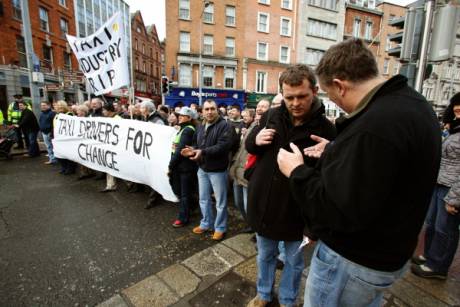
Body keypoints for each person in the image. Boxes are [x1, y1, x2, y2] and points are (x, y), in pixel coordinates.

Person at [276, 38, 441, 306]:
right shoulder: (413, 105)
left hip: (353, 260)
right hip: (387, 255)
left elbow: (336, 208)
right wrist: (339, 151)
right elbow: (384, 169)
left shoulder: (374, 126)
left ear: (340, 86)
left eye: (330, 95)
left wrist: (296, 171)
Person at [245, 64, 336, 307]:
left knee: (295, 263)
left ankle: (287, 299)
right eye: (289, 97)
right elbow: (250, 148)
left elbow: (329, 181)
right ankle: (263, 294)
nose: (295, 103)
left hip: (298, 212)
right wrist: (254, 138)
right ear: (282, 94)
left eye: (302, 96)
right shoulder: (271, 115)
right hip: (265, 204)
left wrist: (313, 226)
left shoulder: (327, 130)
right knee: (265, 255)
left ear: (315, 92)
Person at [411, 94, 460, 280]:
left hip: (452, 188)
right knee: (431, 223)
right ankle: (429, 256)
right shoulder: (454, 129)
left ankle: (438, 266)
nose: (458, 108)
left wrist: (455, 199)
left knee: (445, 229)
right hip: (439, 183)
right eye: (456, 104)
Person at [181, 99, 234, 241]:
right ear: (202, 111)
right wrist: (191, 150)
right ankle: (206, 223)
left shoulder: (225, 125)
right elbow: (196, 143)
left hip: (218, 170)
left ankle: (220, 228)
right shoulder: (200, 125)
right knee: (203, 199)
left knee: (220, 202)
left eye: (212, 109)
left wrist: (202, 151)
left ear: (217, 110)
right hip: (202, 168)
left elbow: (223, 146)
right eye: (207, 109)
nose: (209, 112)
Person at [169, 107, 198, 227]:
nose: (179, 116)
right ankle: (193, 205)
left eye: (182, 115)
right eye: (179, 115)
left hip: (184, 167)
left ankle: (183, 218)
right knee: (180, 191)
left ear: (189, 118)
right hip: (181, 166)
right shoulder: (183, 129)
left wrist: (171, 165)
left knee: (183, 193)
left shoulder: (187, 130)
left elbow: (180, 150)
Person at [140, 100, 167, 208]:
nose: (140, 110)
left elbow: (160, 136)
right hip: (151, 150)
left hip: (156, 152)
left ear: (146, 109)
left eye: (142, 108)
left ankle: (153, 199)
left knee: (155, 174)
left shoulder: (157, 120)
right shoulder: (149, 118)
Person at [100, 102, 121, 192]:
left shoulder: (118, 119)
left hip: (116, 146)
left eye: (104, 110)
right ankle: (110, 185)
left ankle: (130, 184)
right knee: (108, 164)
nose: (103, 112)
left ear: (109, 110)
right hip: (108, 146)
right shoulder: (106, 119)